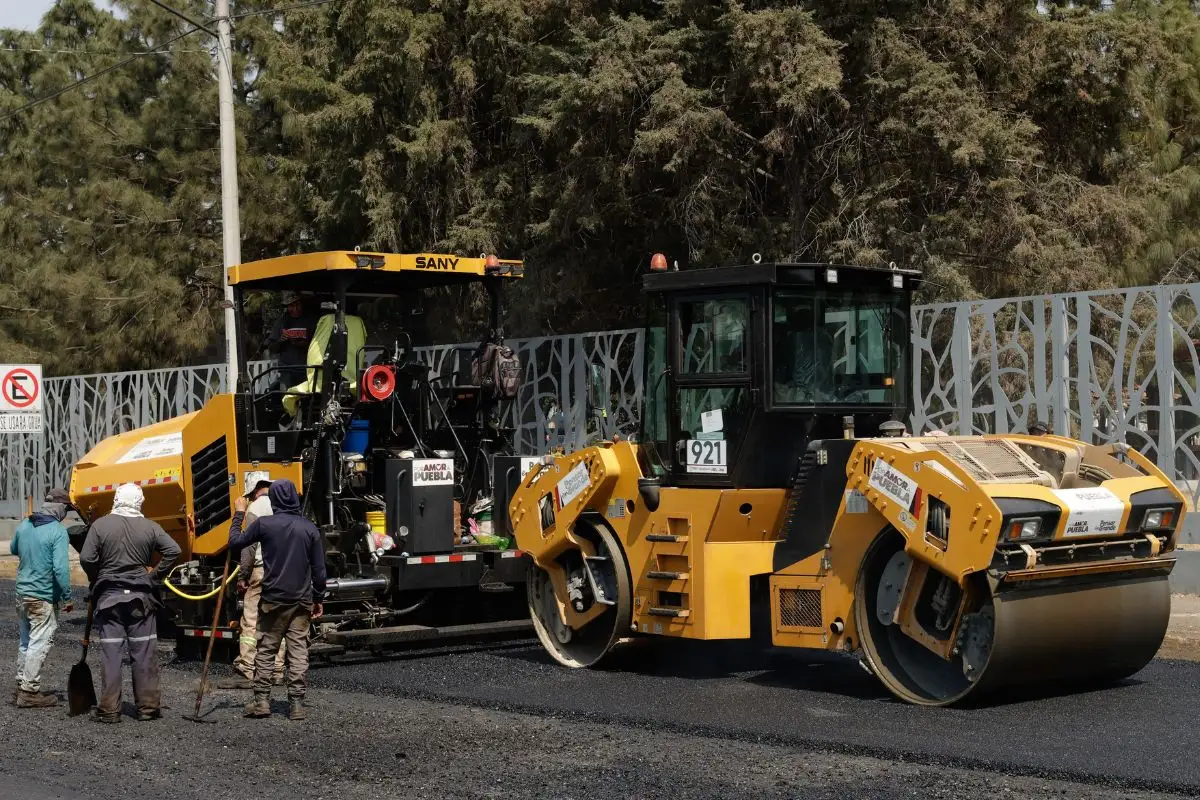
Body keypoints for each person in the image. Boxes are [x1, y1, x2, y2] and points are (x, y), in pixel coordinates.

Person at [79, 483, 181, 723]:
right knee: (144, 653)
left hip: (109, 599)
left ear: (116, 499)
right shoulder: (150, 527)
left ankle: (109, 710)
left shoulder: (100, 525)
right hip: (141, 600)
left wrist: (97, 576)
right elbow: (173, 550)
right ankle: (147, 708)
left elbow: (86, 558)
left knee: (112, 654)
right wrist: (153, 576)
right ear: (140, 502)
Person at [227, 478, 326, 721]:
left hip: (273, 598)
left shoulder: (265, 525)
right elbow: (319, 570)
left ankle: (261, 701)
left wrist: (239, 515)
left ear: (275, 500)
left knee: (267, 649)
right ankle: (297, 705)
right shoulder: (309, 528)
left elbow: (235, 543)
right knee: (298, 650)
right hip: (301, 599)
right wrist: (318, 597)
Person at [219, 480, 286, 689]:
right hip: (281, 569)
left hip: (260, 569)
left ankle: (247, 667)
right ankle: (277, 669)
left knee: (250, 619)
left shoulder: (254, 508)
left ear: (254, 492)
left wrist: (243, 576)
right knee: (277, 619)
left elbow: (248, 545)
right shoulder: (283, 507)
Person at [11, 488, 73, 708]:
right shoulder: (58, 531)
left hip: (22, 594)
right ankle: (29, 691)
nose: (67, 512)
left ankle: (21, 683)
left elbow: (13, 548)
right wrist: (67, 595)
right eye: (67, 508)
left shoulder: (25, 525)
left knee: (26, 641)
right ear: (60, 508)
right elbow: (60, 569)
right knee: (40, 642)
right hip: (43, 597)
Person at [265, 292, 316, 390]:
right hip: (287, 370)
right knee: (286, 398)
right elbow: (272, 347)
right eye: (292, 306)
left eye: (298, 305)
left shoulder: (311, 320)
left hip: (307, 369)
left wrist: (305, 345)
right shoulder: (282, 322)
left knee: (305, 398)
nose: (295, 309)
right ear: (287, 307)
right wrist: (281, 340)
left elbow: (319, 344)